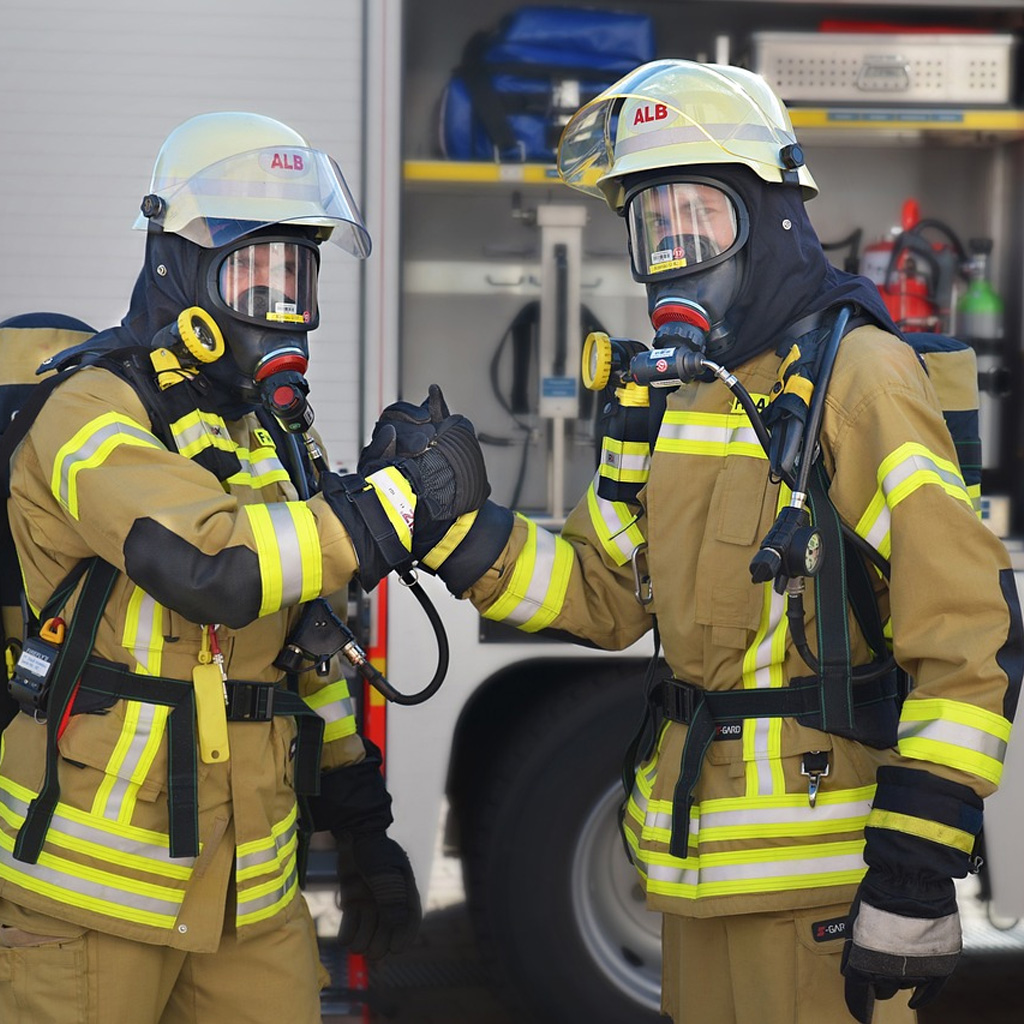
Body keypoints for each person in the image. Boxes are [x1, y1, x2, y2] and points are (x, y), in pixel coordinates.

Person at [357, 62, 1023, 1024]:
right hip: (693, 869)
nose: (673, 252)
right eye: (651, 225)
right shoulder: (685, 393)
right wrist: (455, 529)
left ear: (772, 213)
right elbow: (606, 593)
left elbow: (965, 630)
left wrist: (915, 869)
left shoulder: (860, 378)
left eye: (697, 217)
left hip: (819, 889)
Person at [0, 111, 490, 1022]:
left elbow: (309, 641)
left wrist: (361, 817)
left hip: (252, 900)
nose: (281, 305)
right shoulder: (91, 410)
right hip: (95, 894)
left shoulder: (267, 431)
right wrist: (391, 505)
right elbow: (211, 568)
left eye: (295, 276)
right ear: (176, 268)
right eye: (253, 273)